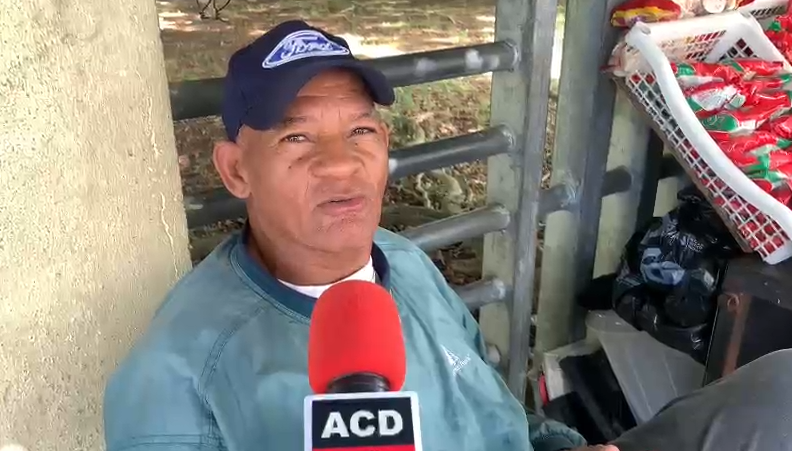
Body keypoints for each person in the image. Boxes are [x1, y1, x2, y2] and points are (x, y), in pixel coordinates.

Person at [103, 19, 792, 451]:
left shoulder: (401, 261)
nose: (341, 163)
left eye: (361, 130)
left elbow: (497, 416)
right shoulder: (180, 378)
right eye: (296, 137)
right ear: (235, 170)